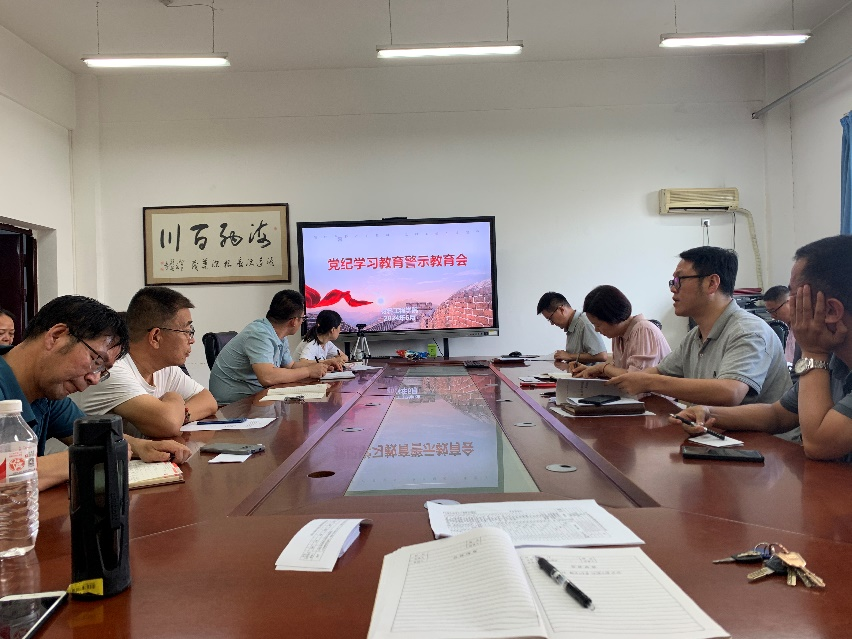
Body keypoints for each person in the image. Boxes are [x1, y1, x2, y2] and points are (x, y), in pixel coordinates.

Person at [673, 235, 852, 461]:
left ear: (831, 311)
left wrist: (813, 352)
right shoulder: (835, 359)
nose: (789, 308)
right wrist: (707, 412)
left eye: (794, 297)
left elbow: (819, 444)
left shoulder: (818, 352)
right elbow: (778, 414)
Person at [0, 295, 191, 491]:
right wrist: (82, 457)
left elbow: (91, 436)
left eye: (103, 371)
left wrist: (141, 447)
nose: (95, 379)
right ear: (56, 336)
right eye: (96, 361)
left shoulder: (47, 392)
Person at [608, 247, 791, 406]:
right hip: (713, 430)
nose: (673, 288)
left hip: (762, 436)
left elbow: (730, 392)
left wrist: (649, 382)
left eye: (679, 280)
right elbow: (657, 372)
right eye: (673, 282)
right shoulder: (694, 336)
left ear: (711, 283)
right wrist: (624, 378)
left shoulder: (748, 331)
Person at [73, 287, 218, 437]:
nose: (192, 340)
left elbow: (208, 401)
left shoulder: (164, 368)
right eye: (187, 332)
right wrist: (173, 397)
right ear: (155, 337)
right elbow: (168, 424)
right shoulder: (112, 370)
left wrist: (182, 414)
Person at [209, 290, 329, 403]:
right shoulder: (259, 334)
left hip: (256, 397)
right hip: (232, 405)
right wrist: (308, 371)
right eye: (303, 318)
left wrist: (324, 364)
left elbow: (291, 366)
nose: (302, 321)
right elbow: (267, 377)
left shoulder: (279, 335)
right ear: (293, 321)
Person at [569, 285, 671, 379]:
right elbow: (619, 372)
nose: (596, 330)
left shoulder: (643, 329)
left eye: (598, 325)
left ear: (612, 317)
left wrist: (602, 367)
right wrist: (591, 370)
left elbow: (636, 378)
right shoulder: (618, 335)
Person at [536, 292, 607, 364]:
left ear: (561, 310)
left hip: (590, 371)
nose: (552, 323)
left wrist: (570, 356)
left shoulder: (584, 323)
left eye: (550, 319)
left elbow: (602, 356)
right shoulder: (571, 325)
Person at [764, 284, 799, 364]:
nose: (772, 316)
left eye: (774, 311)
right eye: (769, 312)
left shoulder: (805, 329)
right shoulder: (790, 327)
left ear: (789, 302)